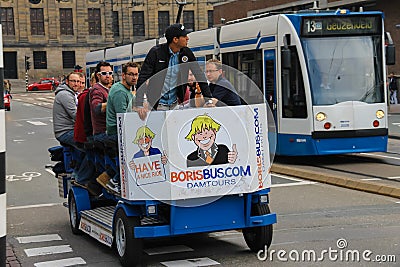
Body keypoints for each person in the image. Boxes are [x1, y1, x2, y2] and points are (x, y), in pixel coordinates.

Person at [135, 23, 214, 119]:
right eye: (184, 36)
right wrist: (139, 104)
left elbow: (199, 75)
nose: (187, 38)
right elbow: (143, 77)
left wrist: (208, 100)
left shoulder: (187, 53)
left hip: (175, 104)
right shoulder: (155, 52)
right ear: (175, 39)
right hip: (156, 105)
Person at [103, 62, 140, 194]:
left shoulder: (126, 90)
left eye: (136, 74)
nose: (134, 77)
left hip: (120, 132)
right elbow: (123, 118)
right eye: (130, 74)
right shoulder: (120, 92)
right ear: (123, 75)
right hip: (116, 134)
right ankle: (116, 181)